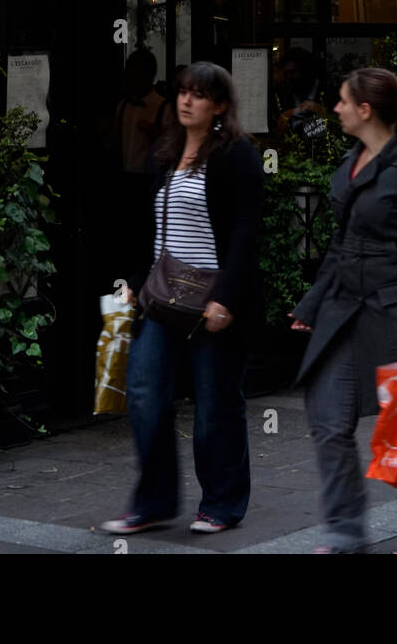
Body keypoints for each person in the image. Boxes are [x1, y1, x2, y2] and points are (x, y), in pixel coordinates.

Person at [291, 66, 397, 555]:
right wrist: (312, 302)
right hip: (345, 311)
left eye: (343, 101)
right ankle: (346, 532)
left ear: (365, 109)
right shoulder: (353, 162)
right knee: (327, 419)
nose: (337, 108)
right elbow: (341, 244)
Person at [100, 61, 264, 536]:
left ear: (219, 105)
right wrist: (135, 280)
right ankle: (153, 502)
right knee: (146, 394)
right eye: (182, 92)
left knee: (216, 405)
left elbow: (244, 232)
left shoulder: (237, 155)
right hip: (163, 297)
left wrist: (227, 299)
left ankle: (223, 502)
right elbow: (154, 230)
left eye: (198, 94)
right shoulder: (166, 152)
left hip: (214, 299)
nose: (186, 100)